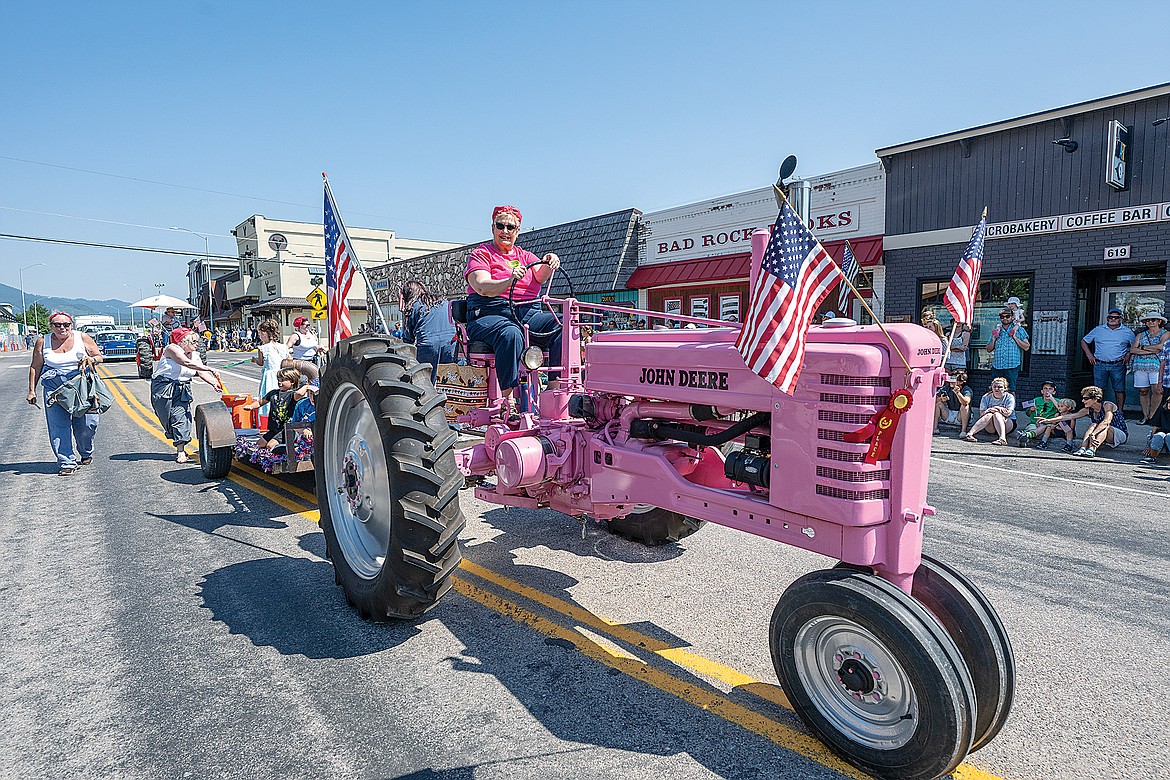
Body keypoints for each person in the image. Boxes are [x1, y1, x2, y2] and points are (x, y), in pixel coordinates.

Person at [463, 204, 562, 413]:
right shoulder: (481, 254)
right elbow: (482, 286)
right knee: (511, 333)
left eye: (511, 227)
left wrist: (550, 260)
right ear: (493, 227)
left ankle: (555, 391)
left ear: (517, 231)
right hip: (489, 313)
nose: (505, 231)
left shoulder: (525, 256)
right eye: (501, 226)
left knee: (560, 323)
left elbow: (541, 274)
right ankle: (508, 399)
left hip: (526, 312)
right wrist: (508, 281)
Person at [26, 312, 104, 475]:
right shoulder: (43, 341)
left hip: (80, 387)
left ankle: (85, 451)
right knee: (58, 426)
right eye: (57, 324)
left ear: (71, 325)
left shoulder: (82, 337)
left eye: (66, 324)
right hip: (54, 390)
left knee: (87, 425)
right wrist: (32, 390)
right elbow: (36, 366)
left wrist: (92, 360)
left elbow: (99, 356)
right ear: (51, 326)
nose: (62, 328)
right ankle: (66, 462)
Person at [150, 327, 222, 463]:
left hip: (182, 388)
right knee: (167, 418)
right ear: (183, 341)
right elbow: (185, 362)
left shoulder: (195, 355)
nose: (197, 344)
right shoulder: (172, 348)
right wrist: (210, 368)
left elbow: (200, 372)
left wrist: (214, 382)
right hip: (163, 387)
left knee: (181, 416)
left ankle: (181, 450)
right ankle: (175, 435)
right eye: (194, 341)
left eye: (197, 341)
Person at [1037, 385, 1127, 458]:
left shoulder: (1107, 405)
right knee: (1094, 424)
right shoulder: (1088, 409)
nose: (1083, 400)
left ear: (1095, 399)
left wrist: (1093, 434)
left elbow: (1106, 421)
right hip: (1100, 435)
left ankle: (1092, 449)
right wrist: (1048, 420)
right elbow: (1070, 416)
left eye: (1086, 398)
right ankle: (1083, 448)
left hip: (1118, 434)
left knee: (1104, 426)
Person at [400, 280, 456, 383]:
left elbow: (408, 339)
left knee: (425, 381)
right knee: (449, 379)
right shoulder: (442, 301)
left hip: (428, 344)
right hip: (450, 343)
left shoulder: (413, 306)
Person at [1081, 308, 1135, 411]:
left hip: (1118, 364)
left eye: (1116, 317)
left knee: (1119, 389)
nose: (1113, 319)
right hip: (1099, 363)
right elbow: (1084, 341)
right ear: (1107, 318)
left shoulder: (1127, 332)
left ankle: (1120, 412)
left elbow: (1135, 346)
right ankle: (1099, 411)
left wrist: (1128, 354)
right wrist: (1089, 355)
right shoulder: (1098, 330)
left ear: (1120, 319)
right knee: (1098, 390)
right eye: (1111, 317)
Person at [242, 367, 300, 450]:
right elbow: (260, 402)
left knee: (270, 446)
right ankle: (263, 458)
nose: (280, 382)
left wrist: (307, 385)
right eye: (279, 380)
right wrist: (251, 406)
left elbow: (300, 394)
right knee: (259, 444)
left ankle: (284, 455)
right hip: (274, 428)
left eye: (283, 380)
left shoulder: (293, 395)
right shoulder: (273, 393)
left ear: (292, 382)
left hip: (286, 430)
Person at [1129, 311, 1168, 424]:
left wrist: (1143, 347)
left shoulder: (1165, 333)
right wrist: (1151, 349)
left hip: (1157, 366)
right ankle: (1145, 415)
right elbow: (1133, 349)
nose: (1150, 322)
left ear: (1159, 321)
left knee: (1157, 390)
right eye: (1147, 320)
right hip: (1140, 366)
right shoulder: (1140, 335)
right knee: (1143, 391)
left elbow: (1161, 347)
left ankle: (1153, 416)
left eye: (1153, 320)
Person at [984, 308, 1030, 391]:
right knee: (995, 390)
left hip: (1012, 366)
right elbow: (988, 349)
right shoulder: (997, 330)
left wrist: (1015, 337)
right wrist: (994, 339)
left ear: (1012, 317)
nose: (1005, 318)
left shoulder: (1019, 329)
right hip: (997, 366)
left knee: (1011, 390)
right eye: (1002, 317)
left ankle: (1011, 404)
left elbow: (1026, 347)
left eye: (1007, 316)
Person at [253, 319, 290, 417]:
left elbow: (260, 363)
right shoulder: (283, 347)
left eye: (260, 333)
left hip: (270, 376)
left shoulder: (263, 348)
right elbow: (289, 359)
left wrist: (254, 360)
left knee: (269, 398)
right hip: (282, 374)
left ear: (265, 334)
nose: (259, 336)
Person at [964, 377, 1016, 444]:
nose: (996, 389)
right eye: (994, 386)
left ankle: (1002, 439)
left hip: (1007, 423)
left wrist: (995, 408)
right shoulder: (986, 397)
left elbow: (1008, 413)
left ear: (1005, 388)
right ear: (991, 387)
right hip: (991, 426)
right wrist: (993, 409)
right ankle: (970, 434)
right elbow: (982, 414)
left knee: (997, 414)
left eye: (1000, 387)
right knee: (989, 414)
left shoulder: (1009, 397)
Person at [1016, 380, 1060, 447]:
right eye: (1045, 388)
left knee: (1045, 428)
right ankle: (1025, 438)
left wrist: (1051, 398)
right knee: (1032, 428)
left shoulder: (1057, 401)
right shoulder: (1036, 400)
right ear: (1042, 391)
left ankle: (1025, 436)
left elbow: (1060, 409)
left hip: (1048, 424)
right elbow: (1028, 414)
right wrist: (1031, 410)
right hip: (1035, 423)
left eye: (1050, 389)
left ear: (1054, 392)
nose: (1047, 391)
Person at [283, 316, 321, 383]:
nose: (308, 327)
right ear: (299, 326)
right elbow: (285, 348)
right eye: (306, 325)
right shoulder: (295, 336)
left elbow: (314, 346)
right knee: (303, 383)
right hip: (300, 363)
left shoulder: (311, 334)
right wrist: (289, 357)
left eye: (308, 325)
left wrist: (319, 348)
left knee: (314, 382)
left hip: (313, 361)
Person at [934, 370, 973, 436]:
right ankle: (935, 428)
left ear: (961, 382)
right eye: (951, 378)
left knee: (965, 406)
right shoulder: (947, 387)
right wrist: (941, 399)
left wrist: (958, 393)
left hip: (960, 416)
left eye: (954, 379)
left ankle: (963, 431)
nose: (951, 381)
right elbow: (933, 399)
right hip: (948, 414)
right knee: (938, 404)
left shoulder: (966, 389)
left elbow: (966, 402)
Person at [1140, 395, 1170, 464]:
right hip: (1160, 438)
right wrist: (1149, 444)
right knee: (1159, 435)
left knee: (1169, 436)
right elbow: (1155, 427)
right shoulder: (1162, 410)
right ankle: (1152, 457)